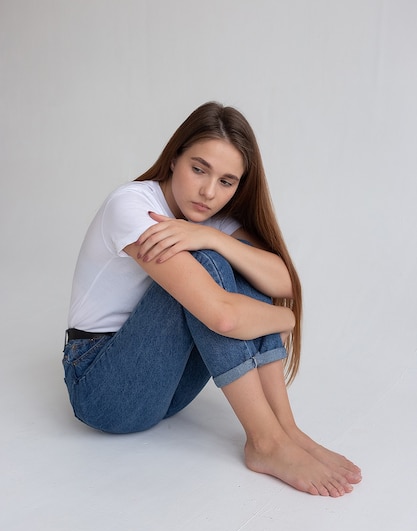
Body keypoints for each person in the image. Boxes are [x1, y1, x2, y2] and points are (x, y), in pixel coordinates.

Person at [63, 101, 361, 497]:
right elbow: (222, 318)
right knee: (207, 267)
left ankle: (285, 430)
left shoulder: (209, 220)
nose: (208, 192)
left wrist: (213, 237)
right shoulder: (132, 206)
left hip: (165, 391)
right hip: (102, 388)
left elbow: (283, 283)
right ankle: (266, 442)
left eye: (226, 181)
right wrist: (286, 321)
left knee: (238, 261)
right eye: (198, 169)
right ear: (174, 159)